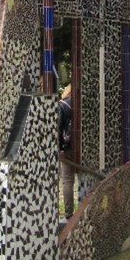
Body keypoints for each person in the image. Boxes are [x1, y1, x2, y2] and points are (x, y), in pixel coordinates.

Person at [58, 84, 74, 219]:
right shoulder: (86, 103)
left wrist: (60, 148)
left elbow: (58, 127)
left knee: (67, 180)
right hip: (84, 147)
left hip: (68, 147)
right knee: (86, 178)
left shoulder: (63, 105)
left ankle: (69, 213)